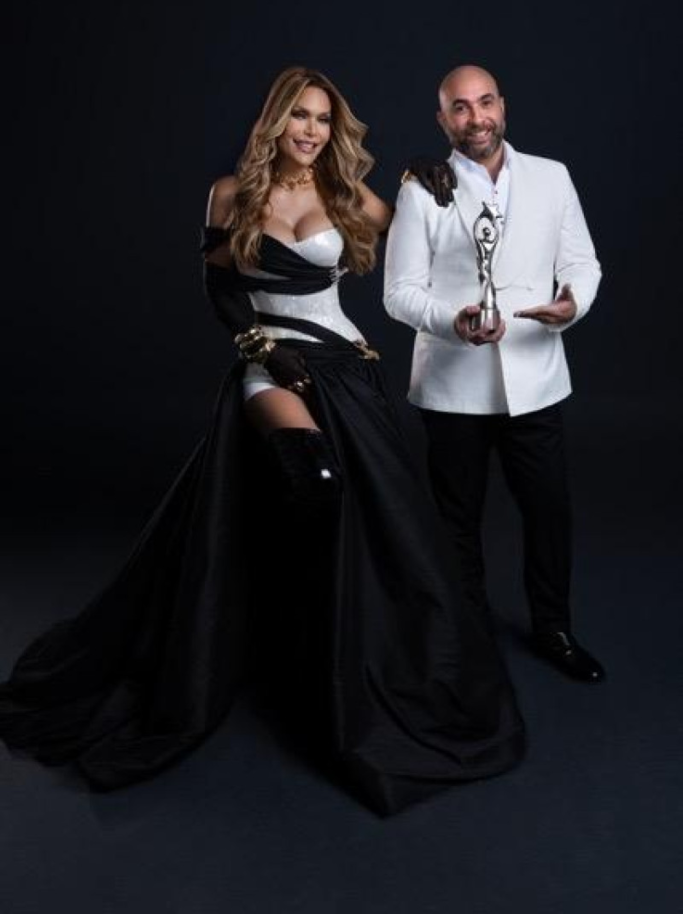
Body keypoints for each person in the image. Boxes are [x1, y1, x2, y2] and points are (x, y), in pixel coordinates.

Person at [0, 67, 524, 816]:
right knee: (312, 478)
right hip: (268, 363)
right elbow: (220, 288)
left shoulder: (349, 196)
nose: (310, 131)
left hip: (343, 363)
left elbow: (429, 239)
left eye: (322, 119)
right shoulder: (230, 193)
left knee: (370, 518)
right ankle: (270, 642)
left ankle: (331, 655)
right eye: (298, 117)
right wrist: (259, 346)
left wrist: (419, 175)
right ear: (275, 123)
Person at [384, 64, 604, 683]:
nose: (475, 117)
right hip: (453, 384)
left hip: (535, 375)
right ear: (442, 120)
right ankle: (469, 634)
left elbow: (583, 263)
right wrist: (452, 321)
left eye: (485, 103)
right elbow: (398, 293)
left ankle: (554, 628)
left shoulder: (552, 177)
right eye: (460, 107)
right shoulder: (421, 189)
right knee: (456, 520)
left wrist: (571, 304)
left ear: (503, 107)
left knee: (549, 512)